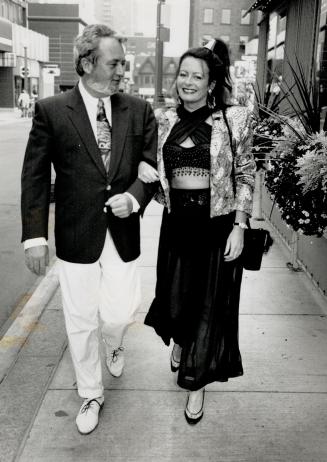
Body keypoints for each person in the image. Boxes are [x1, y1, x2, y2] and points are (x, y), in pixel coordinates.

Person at [21, 24, 157, 435]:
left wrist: (133, 198)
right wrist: (35, 236)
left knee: (119, 312)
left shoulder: (139, 109)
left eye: (123, 62)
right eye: (114, 62)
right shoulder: (51, 109)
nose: (122, 71)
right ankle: (91, 392)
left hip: (122, 231)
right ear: (87, 63)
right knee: (80, 319)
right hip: (76, 233)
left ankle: (114, 342)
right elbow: (34, 176)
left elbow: (149, 168)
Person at [138, 39, 256, 424]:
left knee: (208, 307)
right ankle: (181, 338)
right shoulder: (163, 119)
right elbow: (153, 173)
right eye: (183, 74)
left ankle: (196, 383)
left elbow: (246, 173)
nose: (188, 81)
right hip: (176, 225)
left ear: (211, 82)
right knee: (175, 301)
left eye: (197, 76)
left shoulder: (233, 119)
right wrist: (145, 174)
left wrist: (240, 225)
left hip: (217, 227)